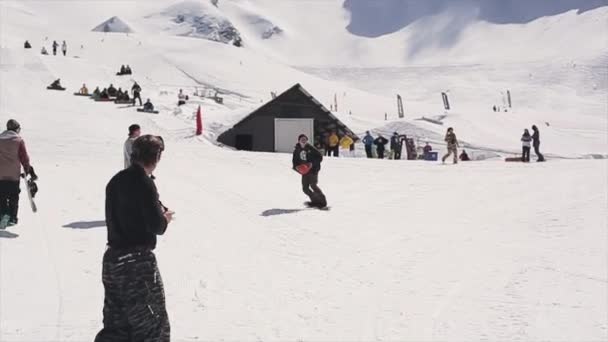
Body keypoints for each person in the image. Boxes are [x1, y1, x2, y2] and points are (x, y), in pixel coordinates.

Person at [95, 135, 172, 342]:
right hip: (136, 264)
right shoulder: (144, 183)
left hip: (112, 261)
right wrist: (164, 218)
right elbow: (156, 225)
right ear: (156, 157)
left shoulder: (115, 181)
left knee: (116, 326)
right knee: (152, 326)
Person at [0, 119, 37, 226]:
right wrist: (26, 170)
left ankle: (3, 214)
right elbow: (24, 157)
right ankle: (12, 218)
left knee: (1, 195)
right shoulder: (19, 140)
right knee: (13, 196)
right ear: (16, 129)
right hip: (13, 175)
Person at [292, 134, 326, 208]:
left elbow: (320, 157)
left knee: (313, 185)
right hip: (304, 171)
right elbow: (294, 162)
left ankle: (323, 202)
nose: (304, 141)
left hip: (313, 170)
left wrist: (311, 164)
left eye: (305, 139)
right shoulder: (297, 150)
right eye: (302, 140)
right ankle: (315, 201)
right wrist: (297, 168)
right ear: (299, 141)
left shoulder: (311, 148)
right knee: (305, 188)